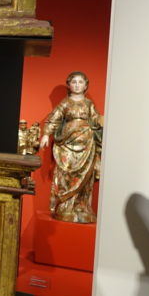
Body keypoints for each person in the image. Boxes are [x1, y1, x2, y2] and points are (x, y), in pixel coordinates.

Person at [40, 71, 102, 223]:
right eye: (74, 82)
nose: (77, 85)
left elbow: (96, 120)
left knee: (85, 176)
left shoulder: (89, 104)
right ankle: (65, 207)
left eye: (80, 82)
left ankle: (81, 207)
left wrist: (102, 124)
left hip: (87, 145)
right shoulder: (65, 103)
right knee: (66, 174)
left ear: (86, 85)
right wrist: (46, 134)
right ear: (69, 85)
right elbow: (53, 119)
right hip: (67, 144)